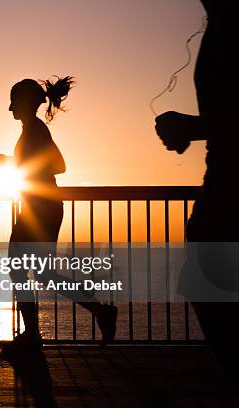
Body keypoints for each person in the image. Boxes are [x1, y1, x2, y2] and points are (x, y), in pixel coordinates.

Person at [0, 78, 117, 361]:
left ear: (25, 102)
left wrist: (11, 164)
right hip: (40, 208)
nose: (9, 106)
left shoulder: (36, 130)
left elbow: (58, 165)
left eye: (13, 99)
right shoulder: (32, 130)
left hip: (41, 210)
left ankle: (33, 336)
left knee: (20, 270)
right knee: (39, 273)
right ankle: (97, 311)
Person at [155, 1, 239, 387]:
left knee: (215, 298)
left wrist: (193, 126)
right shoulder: (220, 25)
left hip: (230, 193)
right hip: (221, 185)